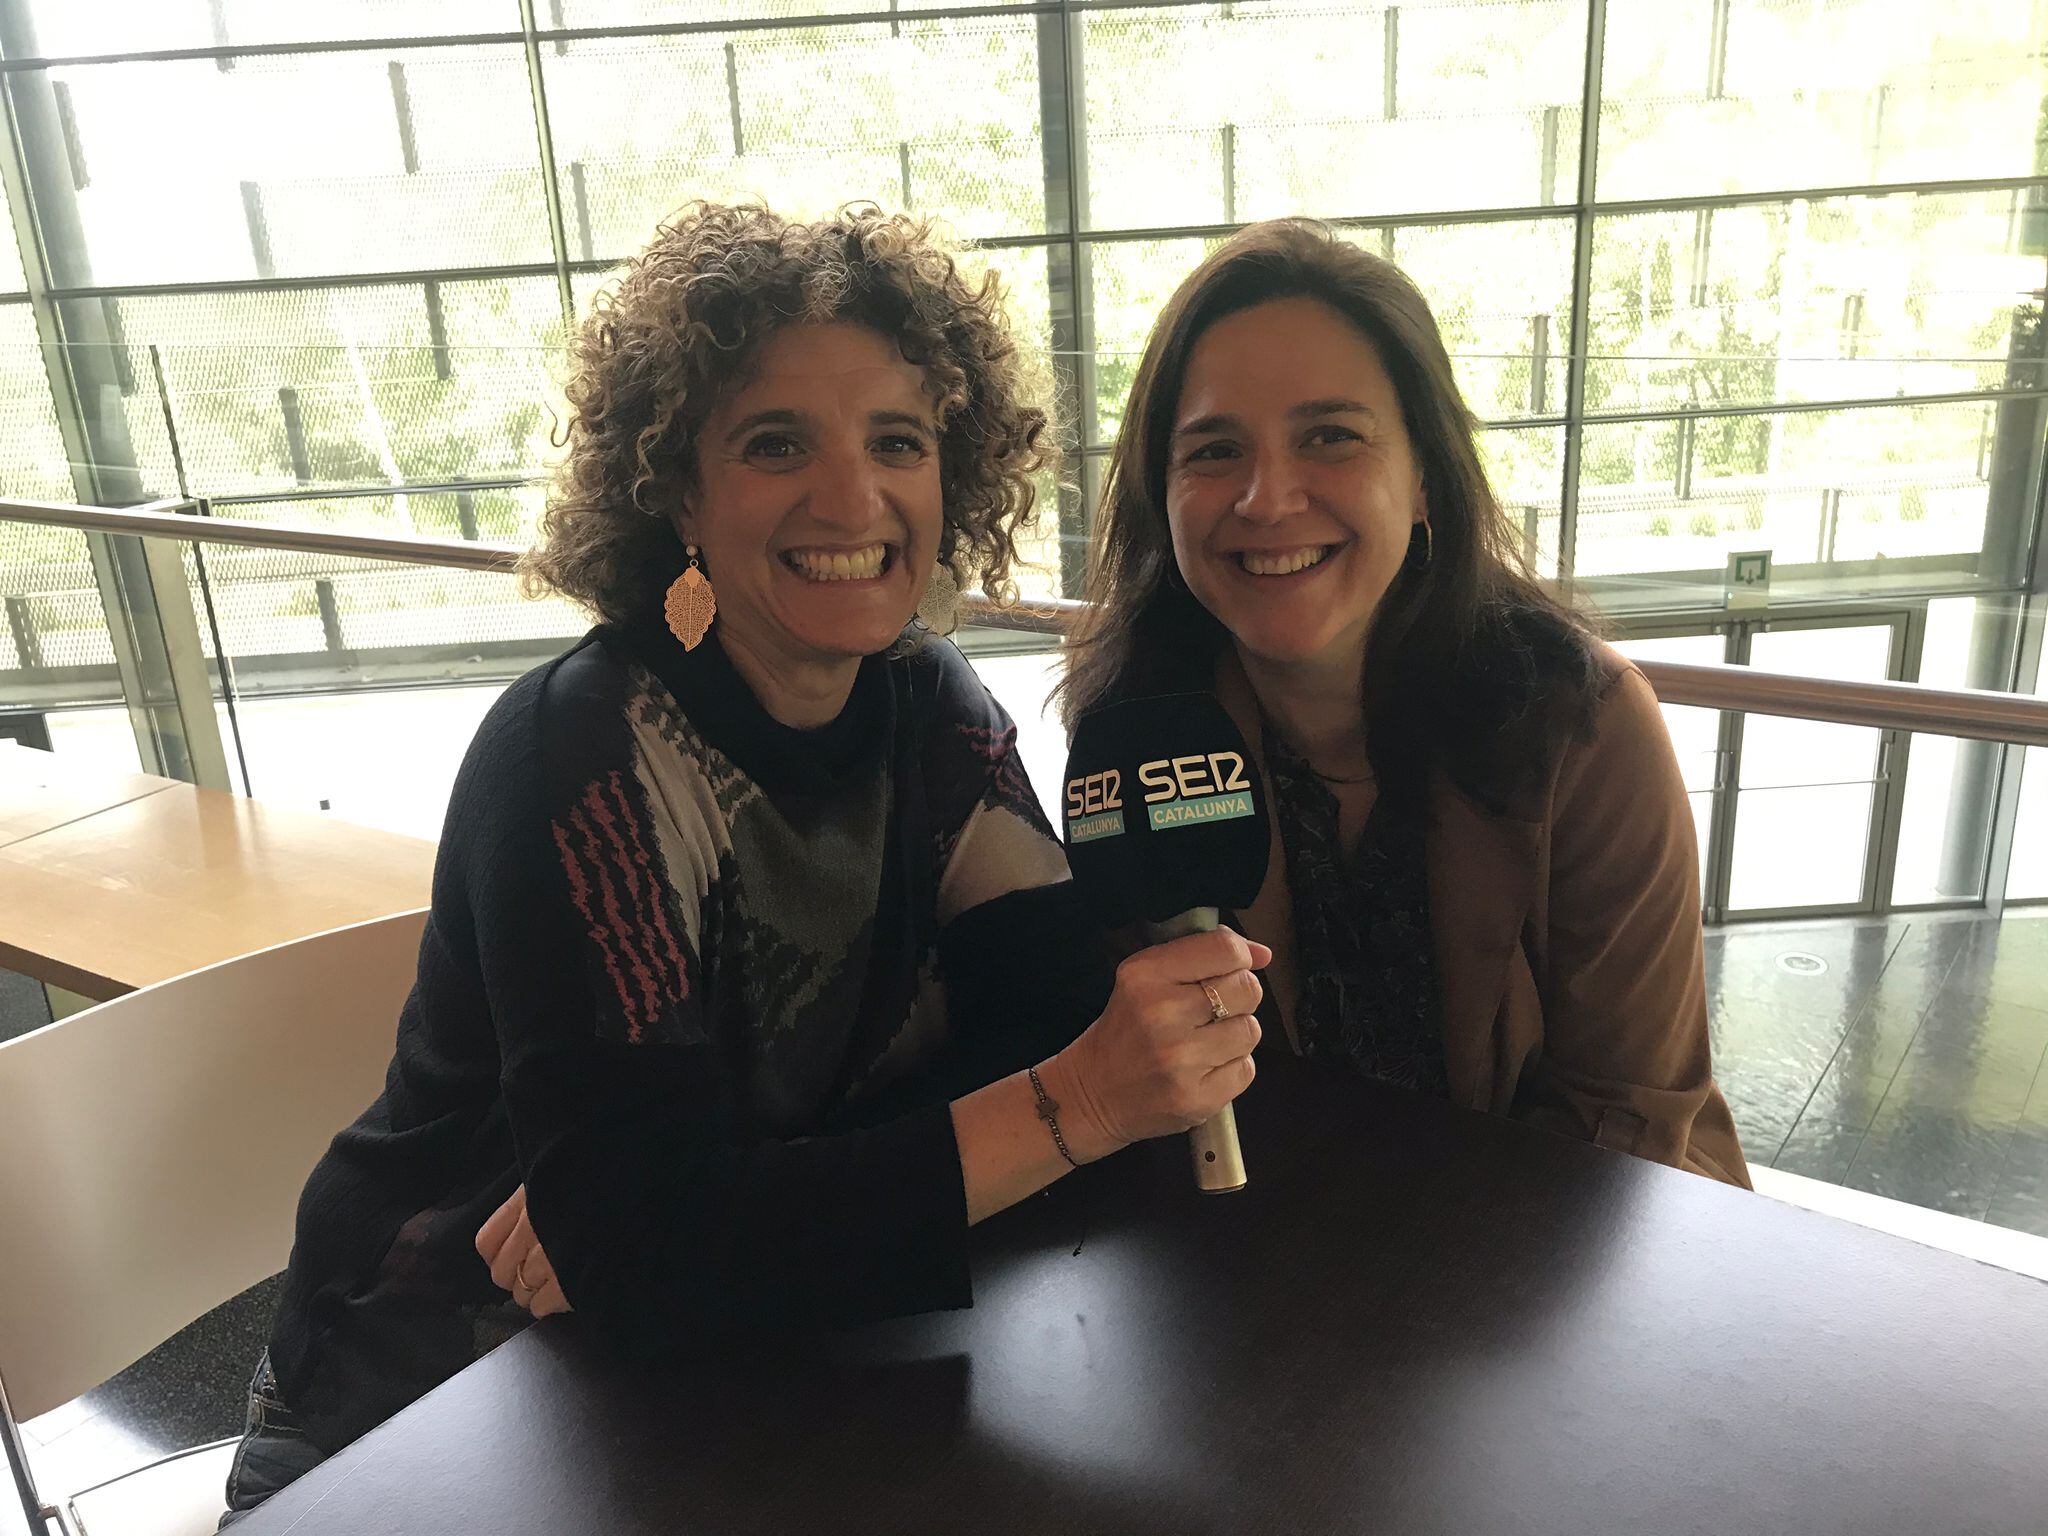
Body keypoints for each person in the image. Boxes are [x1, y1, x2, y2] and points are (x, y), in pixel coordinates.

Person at [221, 203, 1266, 1521]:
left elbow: (1050, 1016)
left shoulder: (930, 706)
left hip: (737, 1374)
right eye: (776, 443)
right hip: (423, 1404)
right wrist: (1065, 1111)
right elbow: (660, 1251)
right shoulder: (585, 760)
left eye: (898, 441)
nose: (853, 498)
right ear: (677, 491)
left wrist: (728, 1190)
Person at [1059, 219, 1748, 1186]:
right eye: (1214, 450)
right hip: (1274, 1249)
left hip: (1573, 1242)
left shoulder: (1584, 725)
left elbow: (1627, 1121)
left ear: (1425, 478)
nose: (1267, 498)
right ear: (1159, 495)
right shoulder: (1137, 740)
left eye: (1330, 437)